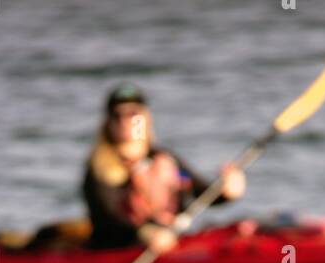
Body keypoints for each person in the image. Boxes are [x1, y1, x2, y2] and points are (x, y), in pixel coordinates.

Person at [82, 82, 247, 252]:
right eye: (117, 115)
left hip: (170, 243)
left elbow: (199, 194)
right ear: (108, 122)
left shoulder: (164, 159)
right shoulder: (99, 168)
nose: (125, 122)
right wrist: (143, 232)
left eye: (133, 114)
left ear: (145, 118)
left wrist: (227, 193)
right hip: (123, 249)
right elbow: (107, 216)